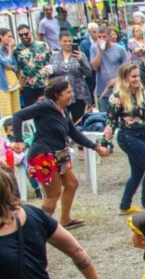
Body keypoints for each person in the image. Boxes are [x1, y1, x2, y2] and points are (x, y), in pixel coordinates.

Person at [11, 77, 110, 229]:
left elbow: (74, 133)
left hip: (60, 153)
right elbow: (18, 115)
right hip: (43, 155)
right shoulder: (45, 105)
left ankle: (65, 219)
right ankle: (40, 229)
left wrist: (95, 147)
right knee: (53, 194)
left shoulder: (64, 110)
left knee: (72, 184)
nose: (72, 95)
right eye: (68, 92)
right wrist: (19, 141)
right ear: (57, 94)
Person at [49, 32, 91, 124]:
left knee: (80, 121)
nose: (68, 43)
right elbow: (52, 73)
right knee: (61, 121)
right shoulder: (54, 56)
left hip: (78, 93)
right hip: (61, 93)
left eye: (70, 41)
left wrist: (81, 60)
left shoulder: (80, 54)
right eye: (65, 41)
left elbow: (88, 73)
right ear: (60, 42)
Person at [90, 25, 131, 113]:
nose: (102, 39)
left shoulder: (120, 49)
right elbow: (94, 67)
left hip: (119, 90)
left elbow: (127, 69)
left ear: (109, 37)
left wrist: (117, 79)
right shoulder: (94, 48)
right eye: (99, 37)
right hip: (102, 91)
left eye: (104, 37)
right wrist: (100, 51)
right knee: (105, 115)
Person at [14, 24, 51, 107]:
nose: (24, 37)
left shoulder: (43, 45)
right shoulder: (17, 50)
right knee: (31, 109)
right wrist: (21, 85)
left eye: (26, 34)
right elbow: (18, 68)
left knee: (46, 108)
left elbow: (50, 61)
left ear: (30, 33)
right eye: (21, 35)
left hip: (43, 83)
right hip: (28, 86)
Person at [0, 28, 21, 118]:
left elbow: (14, 65)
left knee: (17, 111)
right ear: (1, 36)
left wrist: (9, 63)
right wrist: (10, 50)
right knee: (6, 113)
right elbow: (5, 62)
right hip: (2, 83)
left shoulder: (7, 49)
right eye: (8, 36)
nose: (11, 39)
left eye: (11, 37)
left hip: (13, 81)